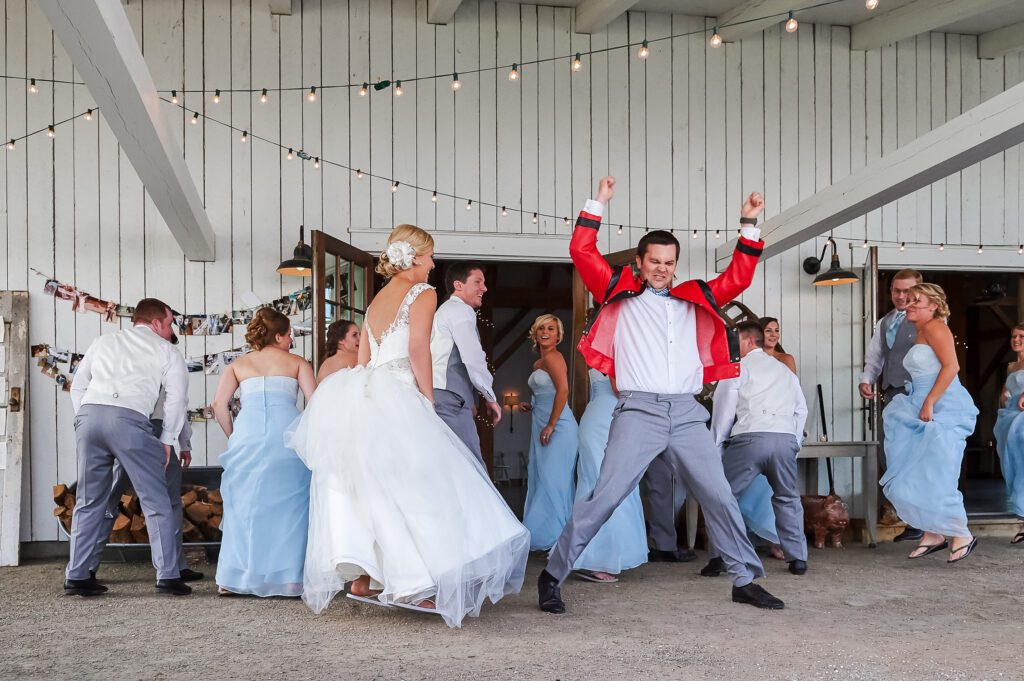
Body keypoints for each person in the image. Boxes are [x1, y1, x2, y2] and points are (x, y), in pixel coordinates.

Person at [539, 176, 785, 613]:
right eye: (654, 261)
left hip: (686, 413)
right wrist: (598, 203)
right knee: (605, 497)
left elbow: (738, 277)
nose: (661, 268)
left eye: (669, 262)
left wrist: (749, 224)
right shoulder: (618, 293)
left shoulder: (692, 298)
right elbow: (582, 251)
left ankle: (744, 580)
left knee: (719, 495)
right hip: (639, 411)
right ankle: (552, 575)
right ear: (639, 262)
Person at [285, 224, 529, 627]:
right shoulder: (423, 293)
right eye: (430, 256)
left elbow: (364, 359)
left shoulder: (377, 299)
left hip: (368, 392)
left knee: (375, 486)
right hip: (399, 392)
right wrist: (427, 400)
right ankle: (412, 583)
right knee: (422, 487)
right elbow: (418, 349)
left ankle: (365, 578)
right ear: (415, 257)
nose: (433, 264)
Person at [66, 298, 190, 596]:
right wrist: (168, 439)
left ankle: (77, 575)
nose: (171, 329)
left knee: (88, 499)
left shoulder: (103, 341)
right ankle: (168, 576)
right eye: (169, 323)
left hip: (90, 416)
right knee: (156, 500)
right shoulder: (167, 351)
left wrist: (83, 417)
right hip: (131, 420)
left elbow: (78, 385)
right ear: (157, 322)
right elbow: (177, 399)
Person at [212, 308, 316, 596]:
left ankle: (233, 579)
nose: (291, 340)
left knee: (243, 507)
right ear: (279, 336)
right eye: (290, 335)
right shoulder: (298, 363)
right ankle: (289, 579)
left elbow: (219, 405)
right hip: (287, 437)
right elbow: (315, 403)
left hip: (247, 436)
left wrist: (233, 436)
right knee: (290, 508)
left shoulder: (239, 365)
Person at [880, 283, 978, 563]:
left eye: (916, 301)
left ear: (933, 306)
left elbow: (952, 367)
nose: (908, 304)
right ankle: (933, 533)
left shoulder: (936, 327)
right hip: (919, 402)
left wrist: (930, 401)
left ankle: (961, 533)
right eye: (908, 300)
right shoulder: (919, 331)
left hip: (942, 405)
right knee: (917, 472)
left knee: (940, 472)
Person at [702, 322, 809, 578]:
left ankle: (720, 557)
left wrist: (715, 448)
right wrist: (794, 443)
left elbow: (724, 414)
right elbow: (801, 410)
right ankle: (798, 559)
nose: (732, 346)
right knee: (787, 497)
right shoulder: (785, 372)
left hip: (750, 438)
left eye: (736, 340)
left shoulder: (737, 369)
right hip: (784, 438)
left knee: (724, 497)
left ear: (749, 341)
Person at [88, 388, 203, 584]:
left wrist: (184, 443)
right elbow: (178, 401)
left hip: (130, 424)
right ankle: (174, 567)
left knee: (110, 498)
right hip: (145, 427)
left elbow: (177, 402)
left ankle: (87, 567)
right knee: (167, 502)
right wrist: (184, 443)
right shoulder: (170, 367)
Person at [859, 269, 925, 543]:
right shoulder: (884, 322)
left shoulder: (929, 320)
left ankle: (922, 521)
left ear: (918, 291)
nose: (900, 296)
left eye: (906, 291)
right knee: (891, 456)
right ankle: (909, 516)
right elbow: (876, 357)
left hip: (918, 396)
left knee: (917, 457)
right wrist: (866, 380)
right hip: (891, 395)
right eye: (896, 290)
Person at [572, 369, 648, 582]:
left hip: (595, 417)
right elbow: (619, 390)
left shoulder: (597, 358)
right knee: (610, 484)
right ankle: (597, 558)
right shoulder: (616, 359)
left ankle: (589, 554)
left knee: (595, 484)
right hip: (608, 419)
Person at [430, 262, 501, 464]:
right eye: (477, 282)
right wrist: (490, 396)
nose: (484, 288)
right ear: (458, 285)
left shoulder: (444, 311)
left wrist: (469, 401)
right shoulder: (461, 311)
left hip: (441, 396)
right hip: (449, 399)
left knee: (449, 464)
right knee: (471, 464)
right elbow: (473, 358)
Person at [520, 314, 579, 551]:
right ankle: (548, 533)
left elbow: (563, 391)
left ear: (558, 335)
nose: (545, 332)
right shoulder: (538, 363)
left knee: (555, 479)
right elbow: (547, 394)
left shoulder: (555, 357)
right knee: (543, 477)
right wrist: (531, 406)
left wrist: (552, 424)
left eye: (551, 329)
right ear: (535, 333)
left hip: (560, 427)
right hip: (541, 422)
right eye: (541, 328)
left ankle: (560, 537)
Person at [993, 324, 1024, 544]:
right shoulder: (1011, 366)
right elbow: (1006, 392)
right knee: (1013, 467)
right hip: (1009, 418)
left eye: (1021, 336)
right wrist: (1004, 396)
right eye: (1013, 336)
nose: (1016, 339)